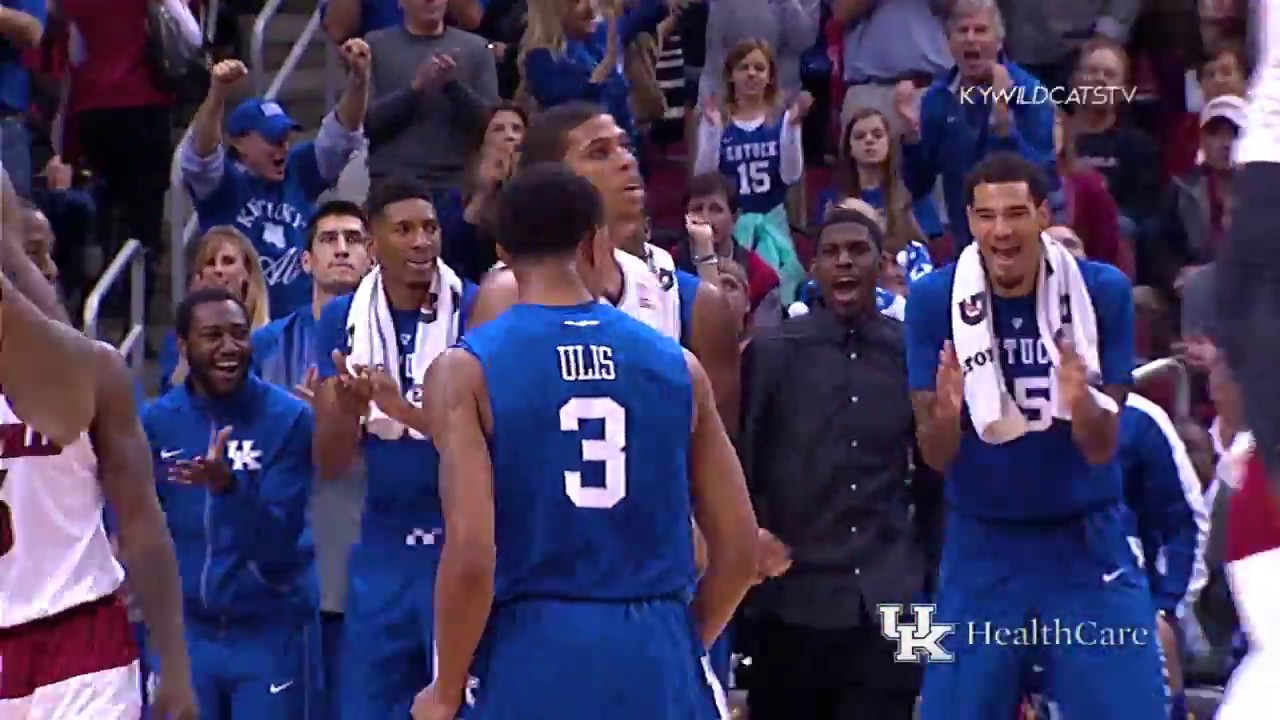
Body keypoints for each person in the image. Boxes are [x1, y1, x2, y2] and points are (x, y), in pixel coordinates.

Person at [409, 162, 758, 720]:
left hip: (533, 649)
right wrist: (683, 639)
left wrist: (446, 690)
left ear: (502, 250)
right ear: (597, 242)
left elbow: (473, 555)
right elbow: (740, 550)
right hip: (657, 644)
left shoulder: (465, 370)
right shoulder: (678, 365)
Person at [904, 152, 1165, 718]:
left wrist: (1083, 403)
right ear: (969, 223)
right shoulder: (932, 300)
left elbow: (1101, 448)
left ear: (1043, 215)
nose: (1002, 230)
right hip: (979, 547)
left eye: (1017, 213)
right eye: (987, 216)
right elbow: (934, 456)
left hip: (1085, 540)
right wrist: (946, 414)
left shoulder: (1103, 291)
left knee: (1137, 707)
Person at [740, 206, 942, 720]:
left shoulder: (914, 354)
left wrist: (930, 586)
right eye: (831, 253)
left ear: (882, 263)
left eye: (858, 251)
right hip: (793, 594)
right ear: (815, 270)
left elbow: (937, 481)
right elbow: (747, 465)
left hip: (898, 596)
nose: (844, 262)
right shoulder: (772, 352)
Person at [0, 256, 198, 717]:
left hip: (82, 633)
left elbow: (142, 522)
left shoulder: (96, 370)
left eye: (45, 256)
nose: (43, 267)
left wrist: (174, 663)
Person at [312, 178, 477, 720]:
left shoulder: (475, 308)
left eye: (429, 228)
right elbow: (332, 461)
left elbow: (485, 438)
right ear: (374, 243)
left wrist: (399, 409)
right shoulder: (341, 320)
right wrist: (346, 409)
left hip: (458, 545)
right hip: (382, 547)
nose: (421, 241)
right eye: (403, 229)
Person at [467, 101, 740, 429]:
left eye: (626, 147)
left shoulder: (694, 303)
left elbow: (714, 458)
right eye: (600, 153)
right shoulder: (508, 293)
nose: (626, 161)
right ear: (550, 180)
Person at [142, 287, 318, 719]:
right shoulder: (155, 422)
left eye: (239, 334)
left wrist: (229, 490)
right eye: (213, 335)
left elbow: (279, 547)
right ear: (183, 346)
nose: (229, 347)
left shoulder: (288, 419)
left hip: (266, 634)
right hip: (184, 636)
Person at [252, 199, 373, 720]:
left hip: (366, 535)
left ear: (371, 255)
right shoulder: (265, 346)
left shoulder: (394, 336)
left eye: (353, 239)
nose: (342, 249)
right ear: (305, 261)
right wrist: (298, 424)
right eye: (328, 239)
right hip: (291, 543)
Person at [180, 41, 369, 319]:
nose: (282, 148)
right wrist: (217, 94)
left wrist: (359, 80)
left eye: (285, 138)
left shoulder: (299, 171)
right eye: (272, 139)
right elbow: (200, 154)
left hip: (302, 322)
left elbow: (342, 133)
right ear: (240, 143)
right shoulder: (224, 186)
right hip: (242, 325)